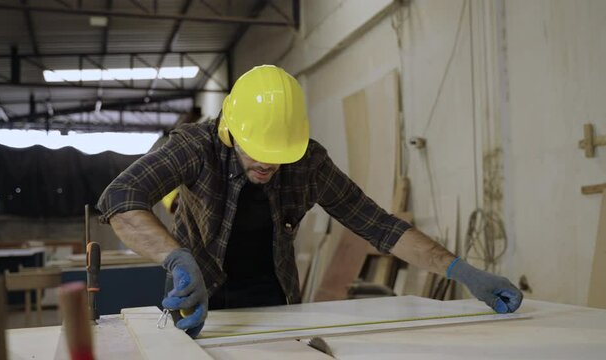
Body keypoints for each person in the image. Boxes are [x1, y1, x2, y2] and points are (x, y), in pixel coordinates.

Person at [97, 65, 522, 338]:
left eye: (278, 154)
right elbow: (120, 197)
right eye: (255, 150)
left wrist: (460, 270)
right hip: (200, 296)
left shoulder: (308, 161)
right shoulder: (193, 146)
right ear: (230, 131)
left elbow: (379, 225)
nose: (266, 164)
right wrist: (175, 259)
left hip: (276, 305)